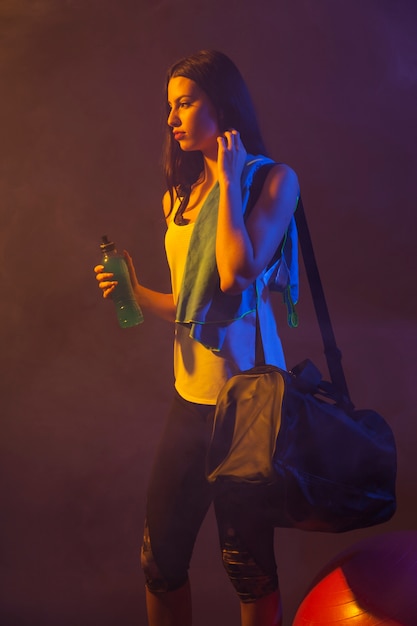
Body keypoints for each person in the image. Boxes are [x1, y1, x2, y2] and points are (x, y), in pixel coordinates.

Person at [94, 49, 299, 626]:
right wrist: (133, 292)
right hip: (191, 401)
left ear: (223, 102)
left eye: (186, 102)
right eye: (170, 107)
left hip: (250, 408)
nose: (173, 118)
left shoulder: (272, 180)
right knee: (160, 559)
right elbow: (191, 311)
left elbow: (237, 272)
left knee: (249, 568)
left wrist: (230, 181)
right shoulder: (178, 198)